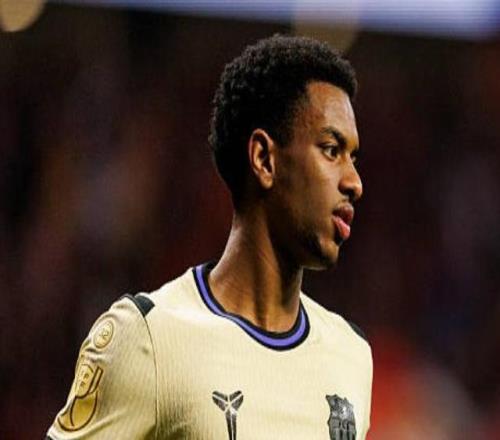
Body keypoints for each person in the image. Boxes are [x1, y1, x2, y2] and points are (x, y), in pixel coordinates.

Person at [46, 34, 372, 440]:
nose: (354, 182)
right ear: (264, 159)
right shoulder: (149, 338)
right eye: (331, 149)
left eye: (353, 157)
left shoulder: (351, 355)